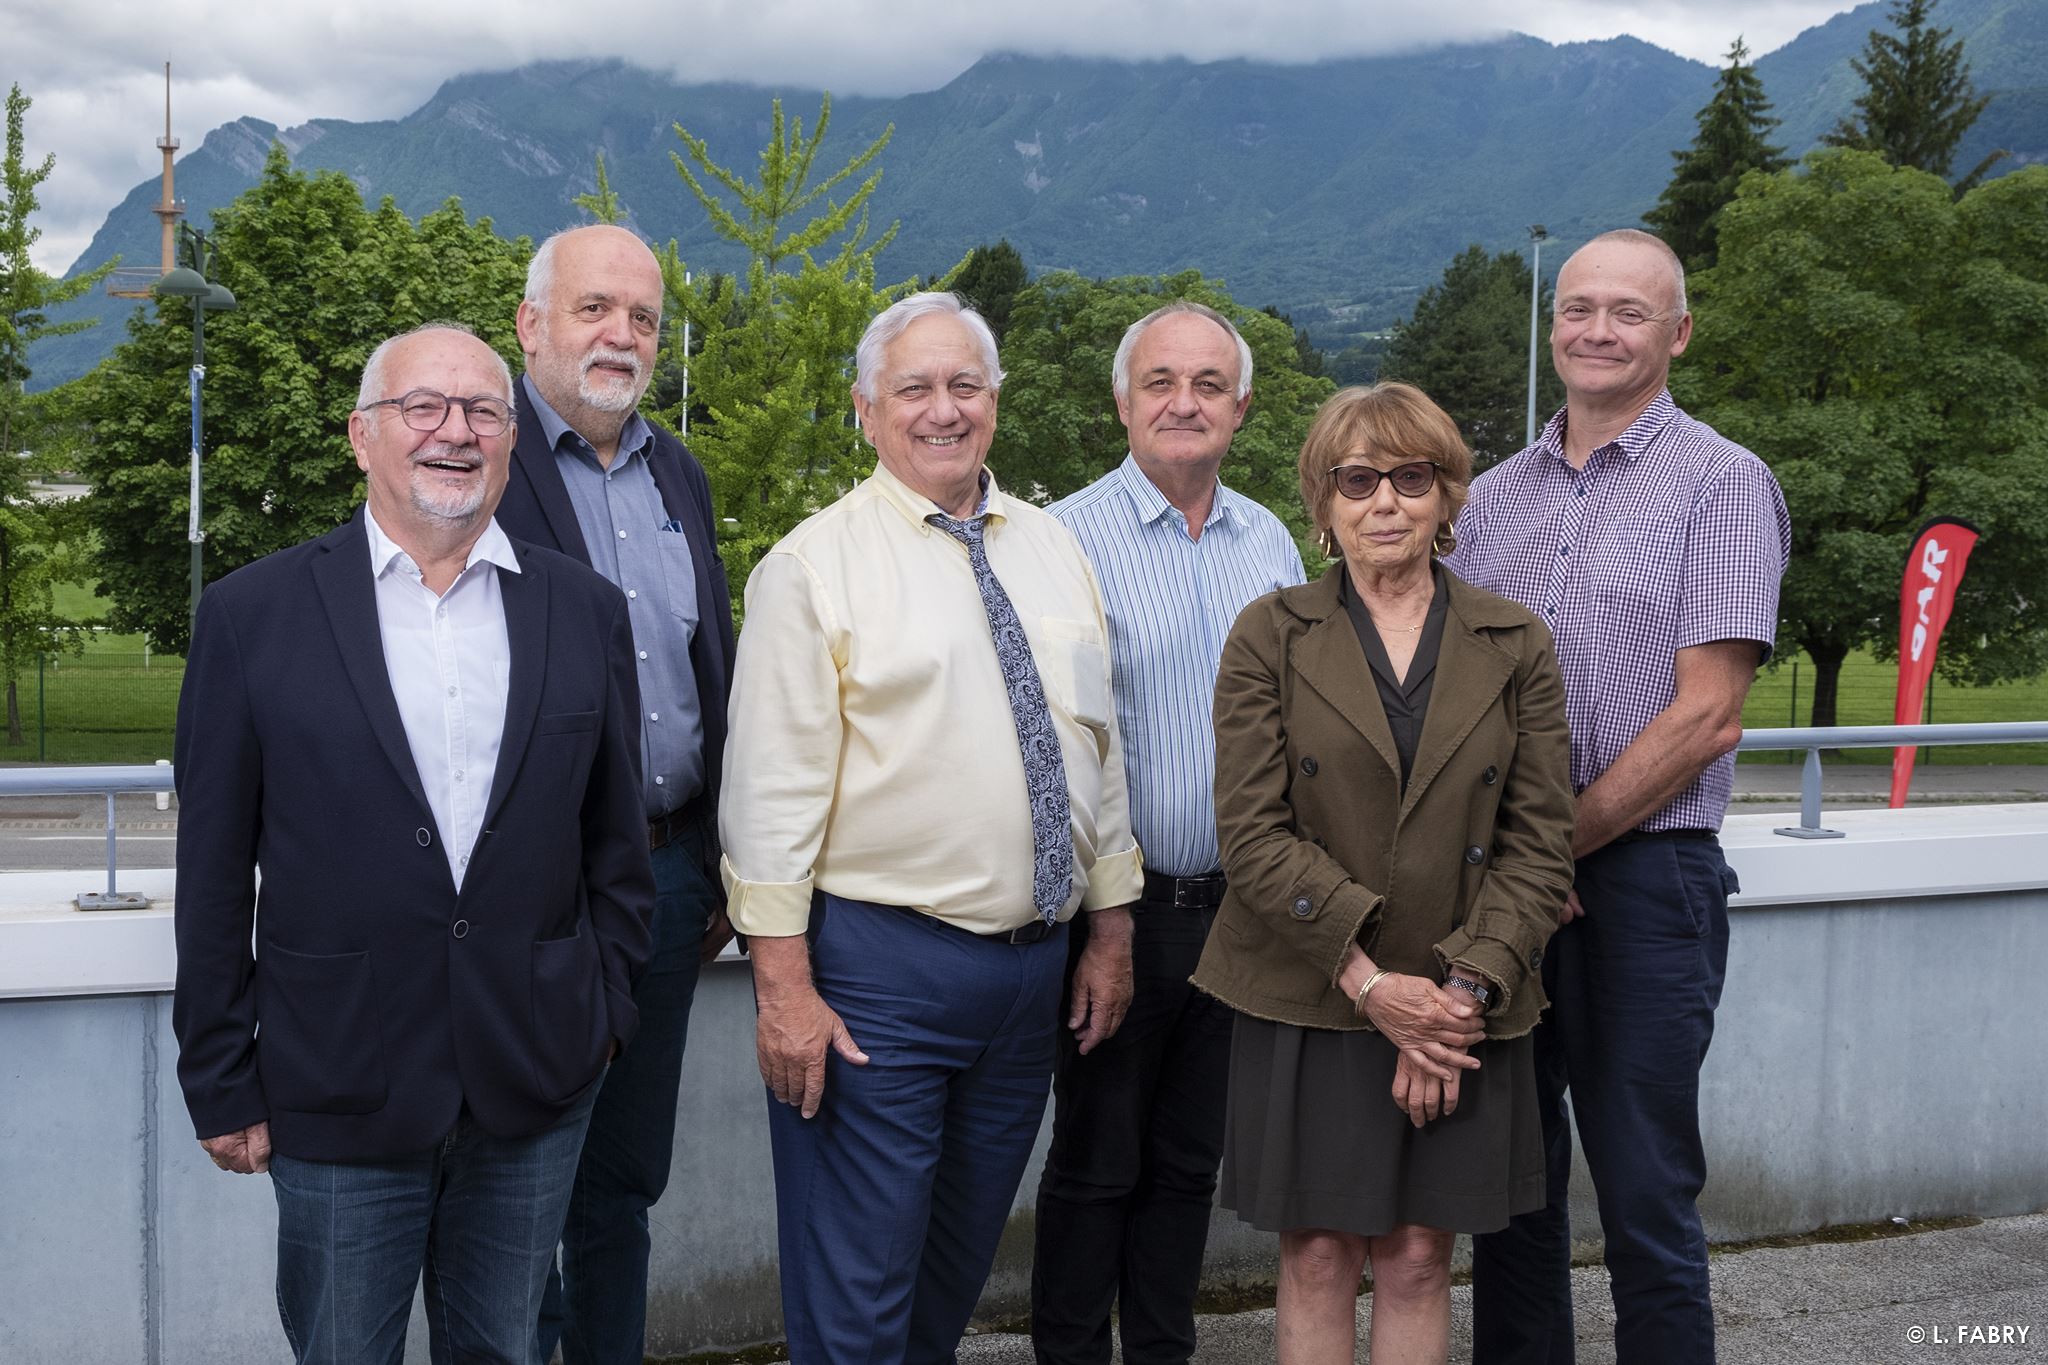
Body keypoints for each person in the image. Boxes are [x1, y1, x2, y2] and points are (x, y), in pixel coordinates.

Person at [172, 322, 653, 1365]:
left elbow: (618, 846)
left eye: (483, 410)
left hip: (534, 1079)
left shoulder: (583, 612)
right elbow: (210, 875)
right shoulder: (250, 617)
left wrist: (602, 1013)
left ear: (511, 438)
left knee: (509, 1350)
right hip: (336, 1078)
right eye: (422, 408)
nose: (456, 433)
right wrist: (219, 1076)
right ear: (362, 435)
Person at [719, 291, 1145, 1364]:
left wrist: (1108, 932)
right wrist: (783, 992)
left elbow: (1098, 759)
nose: (941, 409)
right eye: (913, 388)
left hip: (1026, 981)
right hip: (877, 977)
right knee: (858, 1290)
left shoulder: (1055, 550)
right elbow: (765, 802)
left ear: (994, 402)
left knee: (949, 1277)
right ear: (866, 409)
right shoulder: (811, 569)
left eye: (964, 385)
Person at [1454, 228, 1790, 1365]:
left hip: (1647, 876)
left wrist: (1548, 851)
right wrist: (1510, 866)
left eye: (1627, 313)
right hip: (1505, 884)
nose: (1597, 331)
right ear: (1552, 327)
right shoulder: (1488, 500)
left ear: (1675, 334)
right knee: (1507, 1190)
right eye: (1578, 308)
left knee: (1644, 1190)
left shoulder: (1722, 483)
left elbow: (1707, 715)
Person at [1192, 381, 1576, 1365]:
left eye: (1411, 477)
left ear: (1448, 496)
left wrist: (1451, 997)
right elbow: (1251, 833)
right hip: (1313, 992)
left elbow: (1538, 840)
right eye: (1355, 479)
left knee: (1413, 1258)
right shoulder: (1267, 637)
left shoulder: (1515, 641)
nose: (1384, 501)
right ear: (1321, 504)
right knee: (1318, 1255)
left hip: (1463, 1001)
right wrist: (1373, 990)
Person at [1033, 301, 1305, 1365]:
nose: (1181, 403)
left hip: (1235, 914)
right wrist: (1105, 924)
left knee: (1189, 1160)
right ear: (1121, 400)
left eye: (1205, 384)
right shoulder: (1062, 542)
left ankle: (1158, 1351)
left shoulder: (1269, 541)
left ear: (1239, 407)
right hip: (1113, 914)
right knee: (1096, 1159)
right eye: (1159, 382)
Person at [494, 223, 737, 1365]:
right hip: (521, 891)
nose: (621, 336)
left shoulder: (676, 473)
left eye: (641, 317)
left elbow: (711, 672)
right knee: (506, 1187)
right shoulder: (479, 464)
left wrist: (722, 859)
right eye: (595, 309)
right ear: (530, 324)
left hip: (667, 874)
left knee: (621, 1184)